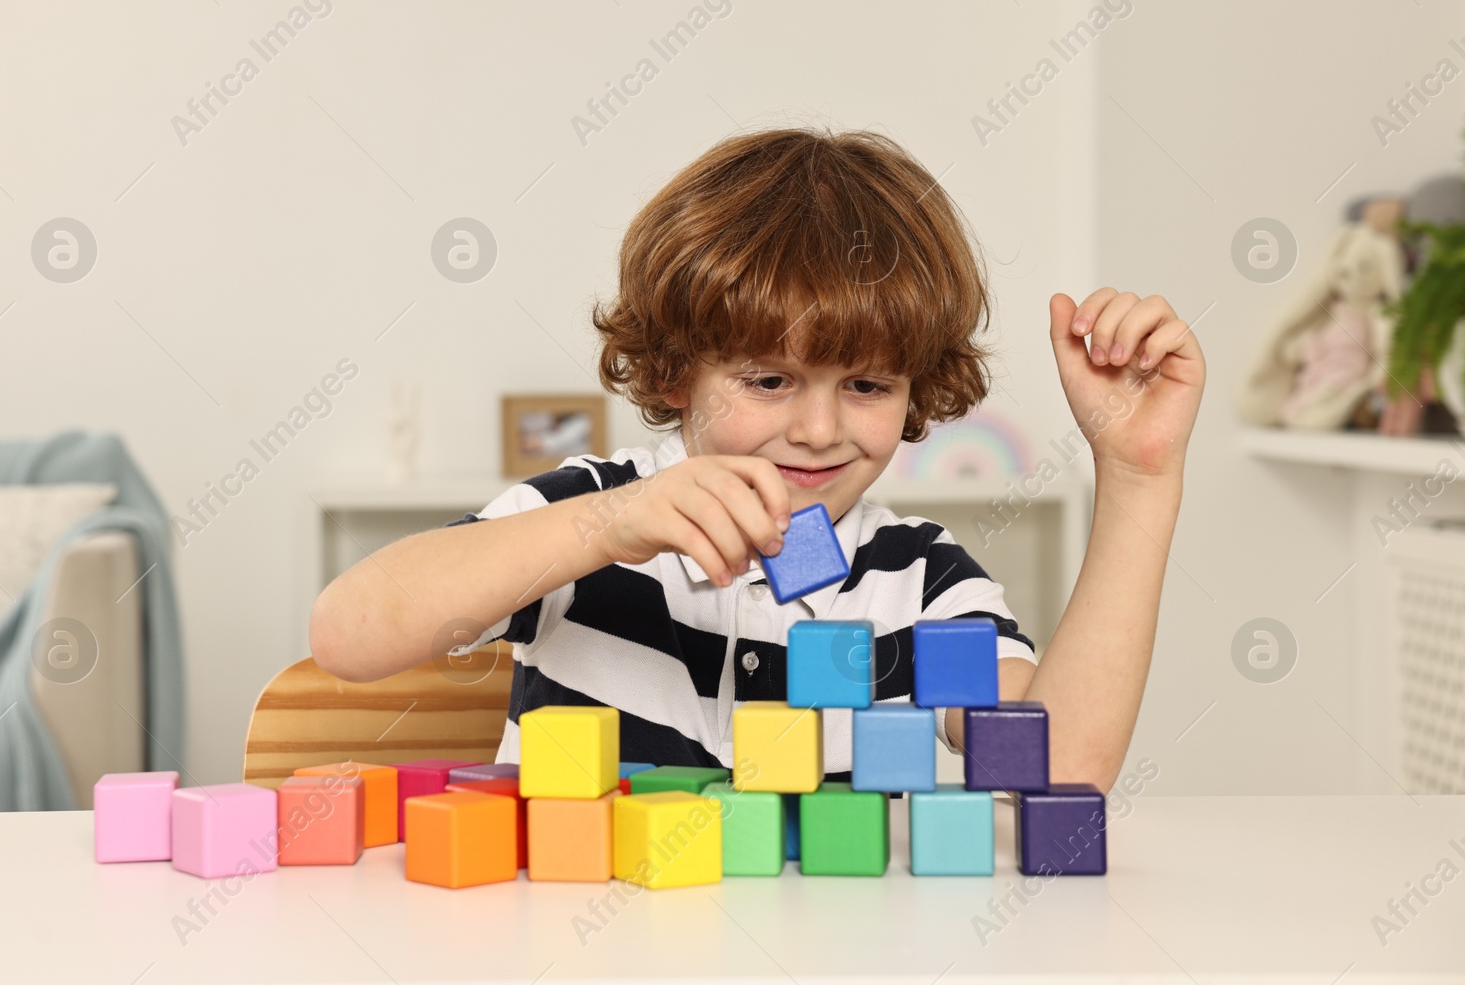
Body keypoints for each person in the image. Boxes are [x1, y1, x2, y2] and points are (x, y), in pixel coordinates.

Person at [310, 127, 1204, 793]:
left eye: (865, 385)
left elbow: (1063, 767)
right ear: (677, 369)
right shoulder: (591, 514)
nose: (818, 430)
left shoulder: (918, 580)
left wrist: (1137, 478)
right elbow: (347, 635)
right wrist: (603, 528)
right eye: (770, 380)